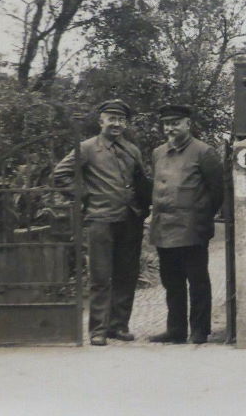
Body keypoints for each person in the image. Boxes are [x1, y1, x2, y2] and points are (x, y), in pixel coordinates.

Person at [53, 99, 150, 347]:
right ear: (101, 121)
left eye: (120, 119)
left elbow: (140, 180)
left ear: (125, 123)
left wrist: (143, 205)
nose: (116, 124)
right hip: (100, 219)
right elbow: (60, 175)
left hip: (130, 220)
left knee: (127, 275)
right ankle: (98, 329)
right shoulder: (86, 148)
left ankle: (119, 326)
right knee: (100, 276)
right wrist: (84, 195)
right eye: (111, 118)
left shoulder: (132, 150)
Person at [149, 104, 225, 345]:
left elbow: (217, 191)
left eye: (175, 123)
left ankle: (200, 330)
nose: (170, 128)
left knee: (198, 281)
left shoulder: (204, 152)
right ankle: (176, 330)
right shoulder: (158, 153)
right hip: (164, 228)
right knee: (172, 282)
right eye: (167, 123)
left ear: (187, 125)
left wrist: (201, 216)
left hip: (192, 228)